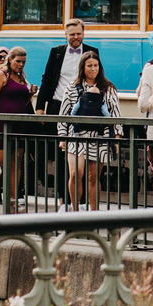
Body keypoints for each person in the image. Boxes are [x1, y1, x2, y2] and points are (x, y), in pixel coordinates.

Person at [60, 48, 120, 212]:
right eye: (89, 66)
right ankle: (75, 210)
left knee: (94, 176)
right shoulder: (72, 87)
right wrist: (62, 137)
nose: (93, 69)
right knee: (75, 173)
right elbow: (64, 113)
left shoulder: (108, 88)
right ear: (82, 67)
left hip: (100, 137)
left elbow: (116, 114)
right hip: (77, 136)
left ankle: (93, 213)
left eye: (96, 65)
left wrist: (117, 137)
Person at [0, 46, 38, 208]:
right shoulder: (1, 75)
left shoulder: (21, 78)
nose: (21, 65)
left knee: (17, 163)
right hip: (1, 123)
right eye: (18, 61)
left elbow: (22, 102)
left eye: (23, 62)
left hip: (18, 124)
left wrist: (30, 94)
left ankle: (13, 199)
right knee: (2, 164)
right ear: (10, 60)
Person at [36, 18, 87, 115]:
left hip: (82, 105)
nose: (76, 37)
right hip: (57, 104)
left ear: (83, 33)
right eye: (72, 34)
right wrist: (40, 107)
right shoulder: (56, 52)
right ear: (66, 35)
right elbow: (47, 79)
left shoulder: (91, 52)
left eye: (79, 34)